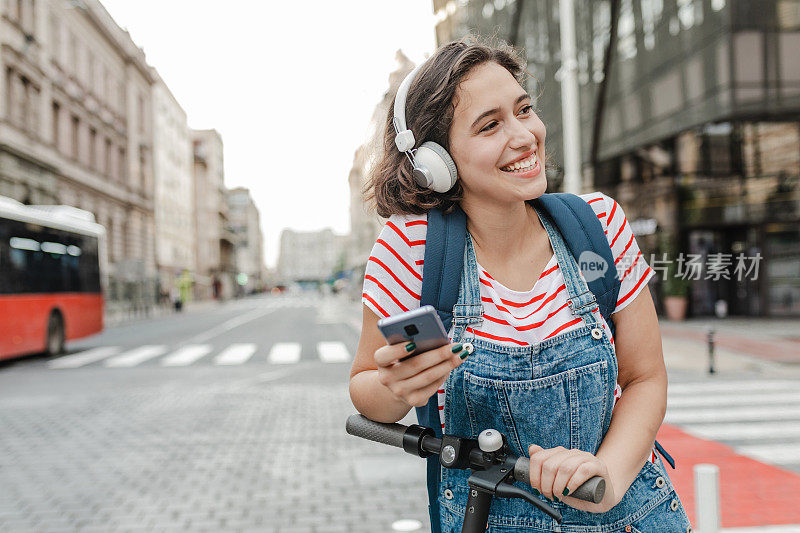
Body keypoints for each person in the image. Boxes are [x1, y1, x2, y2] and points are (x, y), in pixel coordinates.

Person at [349, 37, 691, 532]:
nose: (525, 135)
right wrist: (397, 386)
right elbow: (367, 389)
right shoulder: (413, 252)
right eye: (490, 125)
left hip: (631, 515)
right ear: (435, 162)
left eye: (524, 109)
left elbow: (645, 378)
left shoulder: (598, 225)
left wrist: (607, 476)